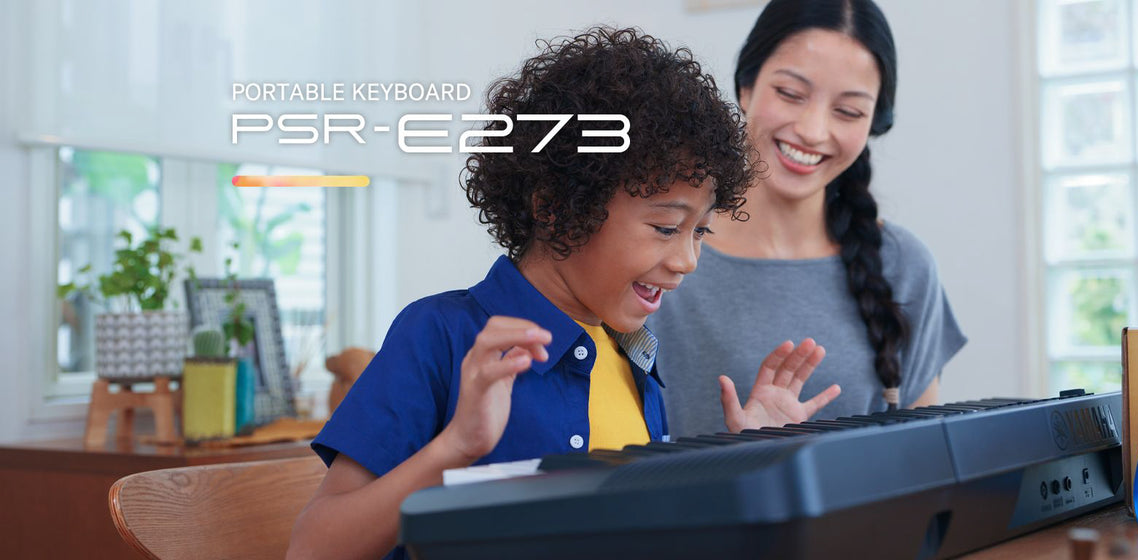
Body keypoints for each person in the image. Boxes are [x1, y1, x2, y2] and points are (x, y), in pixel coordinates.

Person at [287, 27, 840, 560]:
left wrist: (750, 465)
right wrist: (454, 448)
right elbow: (313, 549)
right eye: (667, 228)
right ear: (557, 209)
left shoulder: (633, 353)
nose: (687, 260)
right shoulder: (441, 335)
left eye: (700, 232)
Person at [650, 0, 967, 437]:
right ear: (746, 87)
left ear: (874, 122)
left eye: (848, 111)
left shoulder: (903, 265)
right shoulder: (660, 250)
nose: (813, 130)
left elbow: (926, 463)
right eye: (791, 94)